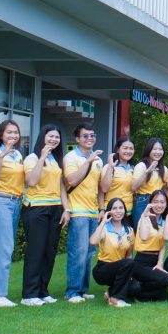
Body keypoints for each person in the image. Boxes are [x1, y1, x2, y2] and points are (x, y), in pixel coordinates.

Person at [20, 125, 69, 306]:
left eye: (57, 137)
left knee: (49, 251)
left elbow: (60, 186)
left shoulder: (55, 159)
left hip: (55, 208)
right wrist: (42, 157)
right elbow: (31, 181)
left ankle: (42, 291)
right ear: (43, 137)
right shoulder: (32, 158)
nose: (54, 140)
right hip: (36, 208)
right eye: (50, 136)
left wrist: (66, 209)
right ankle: (29, 294)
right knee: (36, 251)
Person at [0, 119, 26, 308]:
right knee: (5, 248)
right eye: (9, 132)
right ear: (1, 135)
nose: (13, 135)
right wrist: (2, 156)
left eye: (16, 132)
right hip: (1, 202)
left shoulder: (18, 154)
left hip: (15, 203)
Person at [63, 123, 104, 304]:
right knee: (78, 252)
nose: (89, 139)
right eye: (85, 136)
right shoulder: (71, 157)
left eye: (92, 135)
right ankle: (72, 292)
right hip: (77, 210)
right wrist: (88, 162)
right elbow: (71, 180)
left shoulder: (98, 159)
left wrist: (101, 209)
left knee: (89, 253)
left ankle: (82, 289)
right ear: (77, 139)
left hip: (93, 212)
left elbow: (100, 188)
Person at [89, 198, 135, 307]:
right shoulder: (104, 228)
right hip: (103, 269)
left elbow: (129, 255)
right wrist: (103, 222)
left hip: (121, 268)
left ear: (125, 210)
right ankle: (115, 299)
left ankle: (110, 292)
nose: (118, 211)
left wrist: (128, 274)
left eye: (121, 208)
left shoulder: (129, 230)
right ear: (109, 211)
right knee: (128, 263)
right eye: (114, 208)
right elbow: (93, 241)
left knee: (135, 288)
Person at [132, 189, 168, 302]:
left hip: (155, 261)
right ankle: (137, 294)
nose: (159, 205)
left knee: (163, 296)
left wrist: (160, 263)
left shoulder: (165, 221)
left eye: (162, 202)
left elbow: (164, 243)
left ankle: (139, 287)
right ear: (150, 203)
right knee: (166, 280)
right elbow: (144, 236)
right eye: (155, 202)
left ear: (166, 204)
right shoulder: (145, 218)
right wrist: (143, 217)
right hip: (141, 261)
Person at [131, 138, 166, 225]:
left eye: (160, 149)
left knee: (156, 230)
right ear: (148, 150)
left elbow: (167, 187)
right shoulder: (141, 166)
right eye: (154, 149)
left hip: (158, 202)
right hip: (143, 202)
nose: (158, 152)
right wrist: (147, 172)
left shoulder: (163, 168)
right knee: (142, 230)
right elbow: (133, 187)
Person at [100, 137, 135, 220]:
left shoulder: (134, 168)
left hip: (129, 213)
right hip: (112, 211)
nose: (128, 151)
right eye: (125, 148)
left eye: (131, 149)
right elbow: (103, 189)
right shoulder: (109, 167)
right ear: (118, 150)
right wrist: (110, 167)